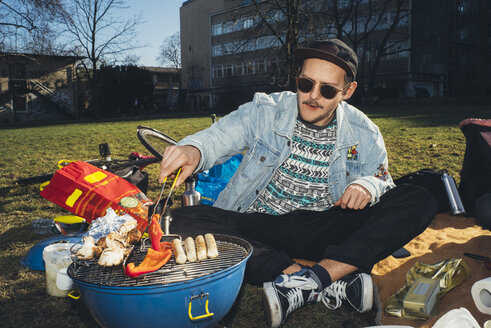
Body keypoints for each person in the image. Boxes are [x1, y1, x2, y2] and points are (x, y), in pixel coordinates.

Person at [159, 39, 437, 328]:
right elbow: (219, 136)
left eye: (327, 90)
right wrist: (194, 149)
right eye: (306, 84)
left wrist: (367, 184)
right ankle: (307, 281)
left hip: (324, 226)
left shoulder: (364, 132)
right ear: (297, 80)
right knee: (179, 220)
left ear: (347, 91)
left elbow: (382, 178)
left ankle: (313, 278)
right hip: (262, 223)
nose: (313, 96)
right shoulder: (266, 110)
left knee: (420, 198)